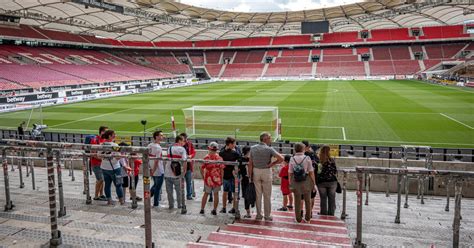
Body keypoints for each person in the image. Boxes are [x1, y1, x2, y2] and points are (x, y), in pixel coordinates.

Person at [248, 132, 284, 221]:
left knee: (258, 195)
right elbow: (281, 158)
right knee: (267, 195)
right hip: (266, 171)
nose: (270, 139)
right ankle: (267, 215)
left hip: (256, 171)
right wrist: (272, 164)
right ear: (265, 139)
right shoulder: (269, 149)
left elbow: (250, 163)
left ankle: (259, 215)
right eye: (269, 138)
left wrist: (250, 175)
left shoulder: (252, 148)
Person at [289, 142, 316, 223]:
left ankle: (298, 218)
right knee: (308, 200)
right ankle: (307, 218)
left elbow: (290, 172)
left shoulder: (292, 158)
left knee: (297, 200)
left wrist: (290, 182)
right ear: (303, 149)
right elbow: (311, 172)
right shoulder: (307, 158)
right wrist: (313, 183)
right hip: (306, 179)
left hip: (296, 180)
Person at [100, 130, 125, 205]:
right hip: (115, 168)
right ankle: (121, 200)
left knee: (107, 185)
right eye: (114, 135)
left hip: (104, 167)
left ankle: (109, 200)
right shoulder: (115, 145)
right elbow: (118, 156)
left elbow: (99, 155)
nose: (115, 136)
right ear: (110, 136)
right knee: (118, 185)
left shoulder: (101, 144)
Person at [199, 142, 225, 215]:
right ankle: (214, 210)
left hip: (208, 179)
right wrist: (222, 179)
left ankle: (202, 209)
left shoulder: (206, 157)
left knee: (206, 194)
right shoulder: (219, 158)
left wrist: (203, 177)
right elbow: (222, 170)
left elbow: (201, 168)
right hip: (217, 179)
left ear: (209, 148)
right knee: (216, 194)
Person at [165, 135, 187, 209]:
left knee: (169, 192)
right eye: (183, 140)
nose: (184, 142)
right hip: (177, 174)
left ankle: (171, 205)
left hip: (167, 173)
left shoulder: (169, 148)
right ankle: (179, 205)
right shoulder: (182, 149)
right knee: (179, 191)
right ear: (179, 140)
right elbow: (184, 161)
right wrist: (184, 171)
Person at [219, 137, 240, 214]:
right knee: (234, 193)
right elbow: (241, 161)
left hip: (225, 175)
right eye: (234, 143)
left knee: (225, 192)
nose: (235, 145)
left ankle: (224, 208)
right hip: (232, 176)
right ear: (230, 144)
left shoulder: (221, 152)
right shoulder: (235, 153)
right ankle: (234, 208)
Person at [317, 145, 338, 216]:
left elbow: (318, 172)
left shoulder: (319, 160)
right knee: (332, 198)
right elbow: (335, 171)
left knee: (323, 199)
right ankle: (331, 213)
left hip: (322, 182)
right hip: (332, 181)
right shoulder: (331, 160)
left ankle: (323, 213)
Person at [149, 130, 165, 207]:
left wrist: (151, 169)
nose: (163, 136)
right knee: (157, 188)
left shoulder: (149, 145)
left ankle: (148, 197)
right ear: (157, 137)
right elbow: (156, 161)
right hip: (158, 170)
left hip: (152, 168)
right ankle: (156, 203)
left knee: (155, 185)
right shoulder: (158, 148)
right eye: (161, 135)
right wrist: (153, 170)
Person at [92, 126, 108, 201]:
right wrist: (102, 158)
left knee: (102, 179)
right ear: (102, 132)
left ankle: (101, 194)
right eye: (106, 131)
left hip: (102, 163)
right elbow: (93, 153)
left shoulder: (104, 140)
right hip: (96, 163)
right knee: (100, 179)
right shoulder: (95, 140)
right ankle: (96, 196)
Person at [302, 140, 319, 214]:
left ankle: (300, 211)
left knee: (301, 196)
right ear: (308, 147)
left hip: (300, 179)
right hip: (310, 179)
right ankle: (309, 212)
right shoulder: (312, 155)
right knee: (311, 196)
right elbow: (316, 166)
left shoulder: (296, 156)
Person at [180, 133, 196, 200]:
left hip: (189, 166)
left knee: (189, 181)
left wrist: (190, 156)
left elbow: (193, 152)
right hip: (180, 166)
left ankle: (189, 195)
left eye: (184, 138)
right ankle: (180, 195)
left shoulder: (190, 144)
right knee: (180, 182)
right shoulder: (178, 145)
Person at [239, 146, 252, 218]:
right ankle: (248, 212)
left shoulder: (252, 159)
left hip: (253, 180)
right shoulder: (241, 159)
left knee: (252, 196)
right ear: (247, 152)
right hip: (245, 180)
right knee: (246, 197)